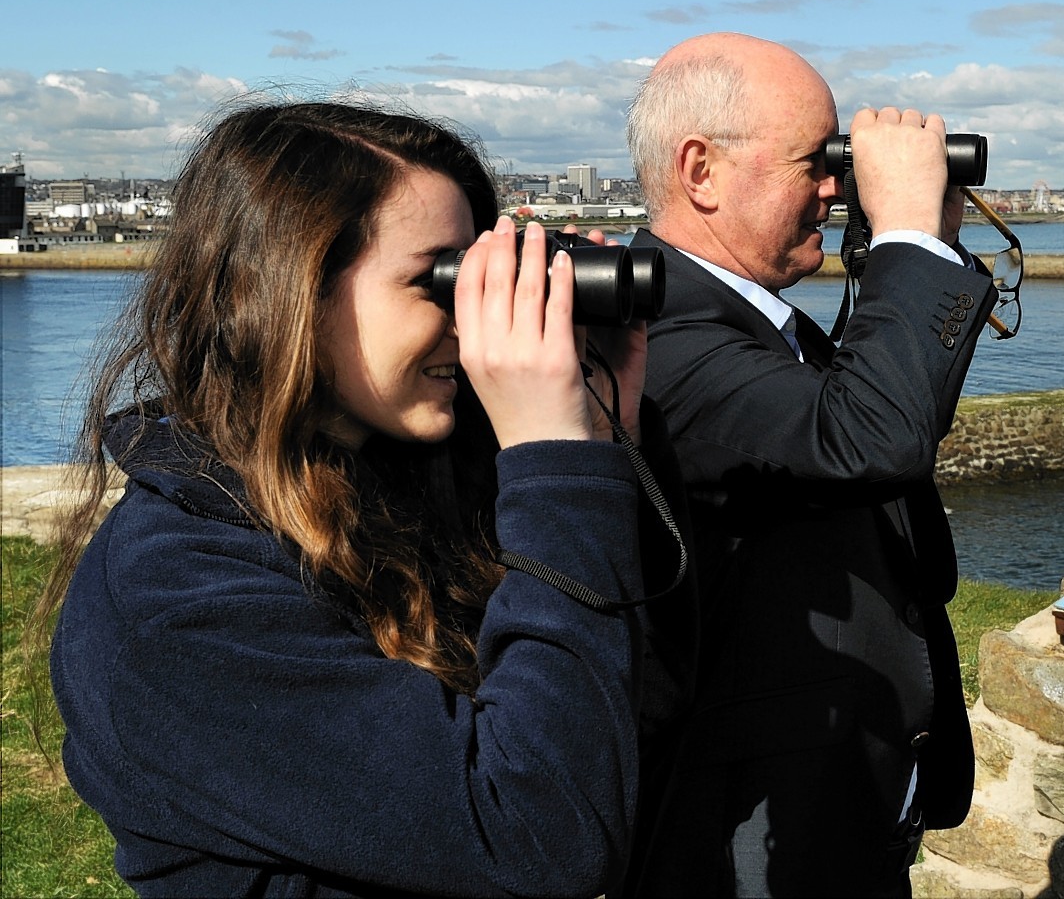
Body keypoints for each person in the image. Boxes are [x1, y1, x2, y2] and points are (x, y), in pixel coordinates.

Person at [32, 99, 654, 897]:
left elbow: (626, 722)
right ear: (288, 291)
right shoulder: (178, 601)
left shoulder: (405, 489)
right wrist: (555, 463)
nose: (472, 323)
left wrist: (600, 432)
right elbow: (541, 830)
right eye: (443, 280)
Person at [620, 32, 1000, 897]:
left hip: (848, 777)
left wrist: (922, 243)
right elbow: (868, 440)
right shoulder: (658, 331)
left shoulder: (749, 316)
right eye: (814, 162)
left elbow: (886, 443)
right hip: (755, 812)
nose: (838, 187)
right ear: (700, 171)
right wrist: (906, 236)